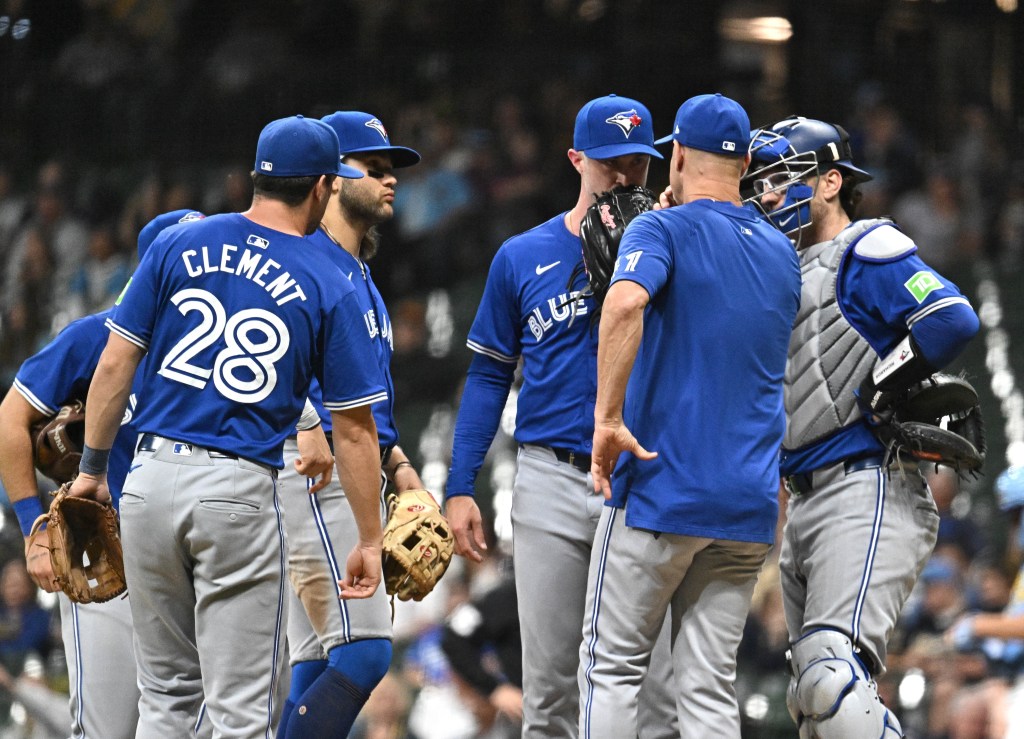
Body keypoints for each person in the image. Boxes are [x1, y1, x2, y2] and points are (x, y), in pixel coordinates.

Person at [66, 115, 388, 737]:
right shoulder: (330, 278)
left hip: (149, 482)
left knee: (164, 698)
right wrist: (369, 540)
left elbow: (114, 362)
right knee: (239, 712)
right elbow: (353, 429)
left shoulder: (180, 243)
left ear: (256, 179)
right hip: (238, 490)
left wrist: (91, 471)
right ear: (323, 187)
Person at [445, 93, 678, 737]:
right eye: (612, 163)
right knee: (548, 689)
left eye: (640, 162)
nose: (628, 176)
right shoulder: (523, 256)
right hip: (550, 478)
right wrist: (461, 483)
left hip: (642, 474)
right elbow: (490, 372)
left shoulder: (676, 249)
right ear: (577, 159)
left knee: (654, 687)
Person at [747, 116, 980, 736]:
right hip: (805, 499)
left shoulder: (866, 248)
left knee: (829, 679)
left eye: (781, 178)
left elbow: (951, 318)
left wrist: (885, 381)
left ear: (829, 181)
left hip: (867, 480)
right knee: (814, 706)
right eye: (760, 182)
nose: (767, 194)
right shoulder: (781, 268)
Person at [578, 93, 800, 738]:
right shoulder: (780, 251)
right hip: (747, 503)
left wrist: (607, 417)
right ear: (746, 161)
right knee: (705, 685)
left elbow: (623, 307)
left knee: (612, 666)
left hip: (663, 486)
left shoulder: (659, 228)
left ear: (675, 152)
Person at [0, 209, 204, 738]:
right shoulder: (98, 336)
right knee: (105, 729)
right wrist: (32, 525)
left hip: (195, 559)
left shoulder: (219, 348)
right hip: (108, 558)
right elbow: (11, 417)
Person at [275, 110, 426, 738]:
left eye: (392, 171)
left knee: (316, 660)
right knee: (365, 653)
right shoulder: (305, 262)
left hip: (354, 466)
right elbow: (272, 365)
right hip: (315, 469)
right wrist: (310, 422)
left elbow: (369, 404)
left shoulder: (359, 273)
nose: (389, 181)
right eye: (374, 168)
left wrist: (401, 467)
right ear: (331, 179)